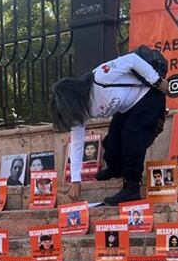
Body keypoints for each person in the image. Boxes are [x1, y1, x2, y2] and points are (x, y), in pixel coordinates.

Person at [52, 51, 166, 206]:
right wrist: (75, 181)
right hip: (127, 108)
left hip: (148, 96)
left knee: (131, 139)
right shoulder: (78, 112)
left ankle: (131, 188)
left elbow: (132, 60)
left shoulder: (101, 76)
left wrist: (157, 80)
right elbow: (77, 145)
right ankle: (116, 169)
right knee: (112, 142)